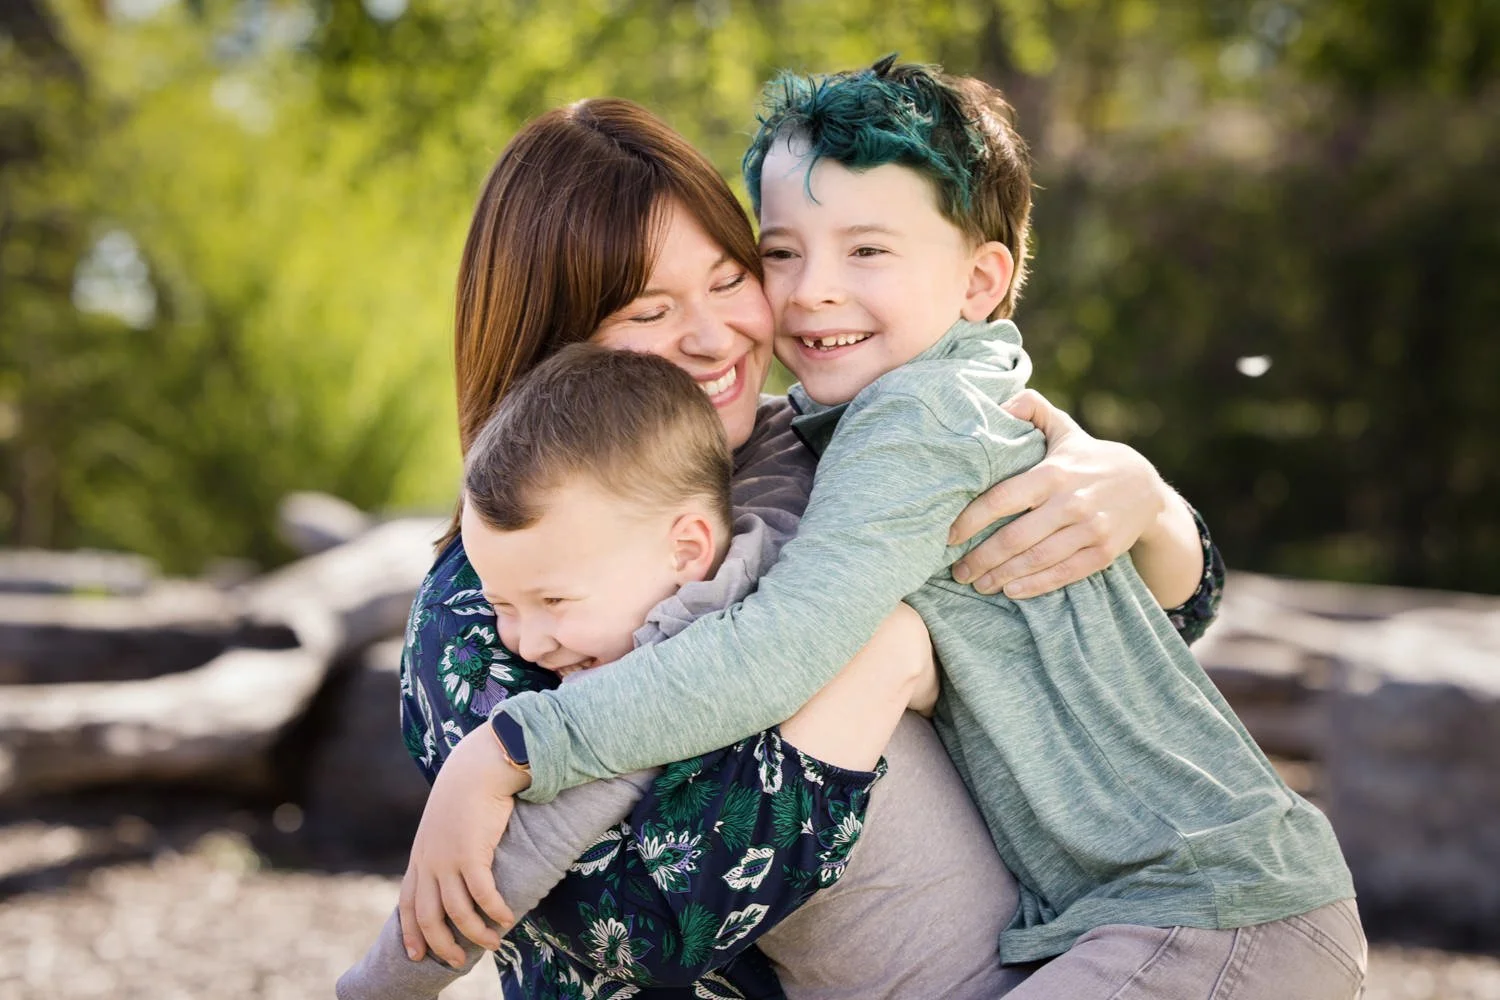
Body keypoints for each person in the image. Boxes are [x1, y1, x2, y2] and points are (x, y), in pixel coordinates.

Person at [412, 59, 1366, 999]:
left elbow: (1131, 626)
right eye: (650, 311)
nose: (717, 334)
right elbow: (650, 927)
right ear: (555, 344)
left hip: (1173, 916)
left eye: (731, 278)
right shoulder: (480, 610)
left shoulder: (841, 437)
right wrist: (879, 673)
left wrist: (1140, 497)